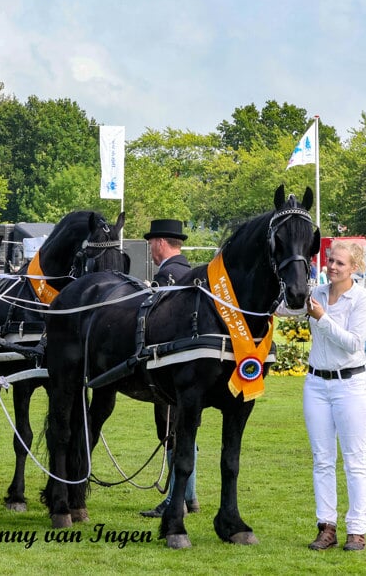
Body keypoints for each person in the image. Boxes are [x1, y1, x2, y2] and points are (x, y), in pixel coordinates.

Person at [304, 240, 366, 552]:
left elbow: (353, 343)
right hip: (316, 383)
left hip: (350, 385)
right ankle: (326, 525)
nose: (332, 267)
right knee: (322, 459)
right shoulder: (316, 294)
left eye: (340, 263)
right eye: (330, 261)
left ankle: (357, 529)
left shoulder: (362, 300)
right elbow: (283, 307)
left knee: (354, 460)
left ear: (354, 268)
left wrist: (322, 318)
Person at [139, 218, 199, 517]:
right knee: (186, 429)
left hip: (170, 365)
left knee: (173, 431)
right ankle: (189, 495)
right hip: (189, 365)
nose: (151, 249)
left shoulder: (168, 277)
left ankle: (178, 497)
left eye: (152, 243)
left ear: (160, 243)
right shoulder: (187, 273)